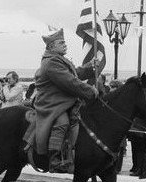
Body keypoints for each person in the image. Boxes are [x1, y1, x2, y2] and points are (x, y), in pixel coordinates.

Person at [32, 29, 97, 172]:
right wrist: (90, 90)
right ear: (51, 47)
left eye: (64, 42)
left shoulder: (59, 59)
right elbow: (69, 81)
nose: (65, 45)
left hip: (62, 100)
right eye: (61, 43)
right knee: (63, 122)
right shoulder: (51, 62)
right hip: (52, 103)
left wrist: (89, 67)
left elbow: (74, 73)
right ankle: (54, 160)